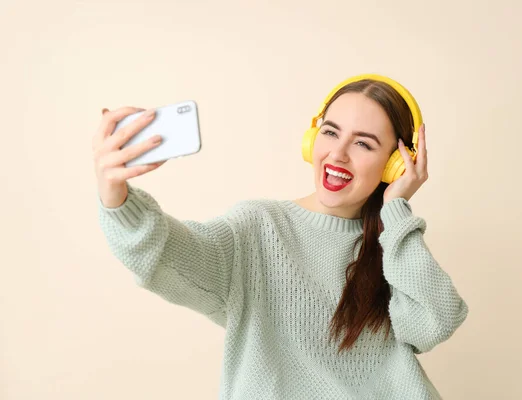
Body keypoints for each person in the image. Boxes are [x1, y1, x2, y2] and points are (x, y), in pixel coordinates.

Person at [93, 74, 469, 400]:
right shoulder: (259, 227)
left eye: (363, 143)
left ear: (394, 164)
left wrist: (397, 210)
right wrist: (117, 197)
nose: (337, 153)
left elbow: (433, 322)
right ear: (311, 139)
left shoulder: (394, 245)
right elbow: (166, 256)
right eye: (330, 132)